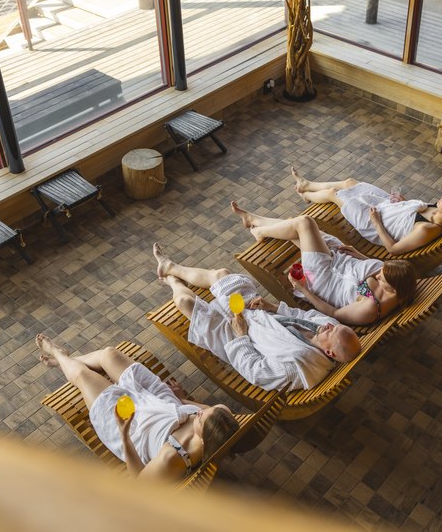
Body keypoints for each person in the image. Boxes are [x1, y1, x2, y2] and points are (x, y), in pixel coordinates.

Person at [153, 243, 361, 391]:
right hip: (259, 314)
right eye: (335, 326)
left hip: (238, 338)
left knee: (185, 303)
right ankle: (170, 267)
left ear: (328, 352)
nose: (329, 325)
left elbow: (254, 372)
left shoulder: (297, 367)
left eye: (332, 331)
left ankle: (172, 281)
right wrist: (273, 307)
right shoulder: (329, 325)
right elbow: (302, 314)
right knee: (222, 274)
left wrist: (241, 335)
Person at [36, 334, 239, 481]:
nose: (201, 412)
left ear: (203, 439)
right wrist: (182, 399)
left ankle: (59, 355)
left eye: (201, 418)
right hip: (161, 401)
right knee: (109, 354)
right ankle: (66, 360)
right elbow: (202, 409)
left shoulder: (173, 457)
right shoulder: (220, 418)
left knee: (83, 376)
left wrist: (124, 434)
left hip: (133, 426)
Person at [232, 202, 418, 326]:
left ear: (392, 289)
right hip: (341, 260)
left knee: (304, 223)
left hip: (322, 278)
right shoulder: (400, 281)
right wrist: (359, 255)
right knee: (295, 226)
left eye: (381, 278)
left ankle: (260, 230)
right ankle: (255, 222)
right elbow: (383, 270)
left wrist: (304, 290)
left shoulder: (370, 309)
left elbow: (334, 314)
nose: (378, 275)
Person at [290, 167, 442, 254]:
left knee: (334, 194)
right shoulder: (436, 210)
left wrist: (377, 222)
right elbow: (408, 215)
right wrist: (403, 202)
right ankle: (308, 184)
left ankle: (308, 196)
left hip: (373, 223)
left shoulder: (427, 229)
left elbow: (393, 249)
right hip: (388, 207)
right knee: (350, 182)